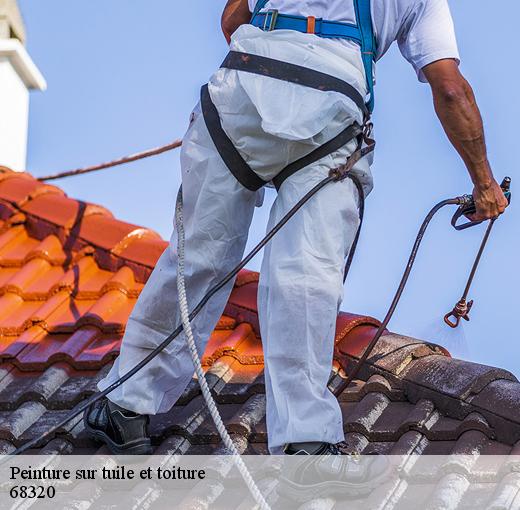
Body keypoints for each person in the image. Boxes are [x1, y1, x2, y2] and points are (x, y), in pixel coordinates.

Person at [85, 0, 508, 464]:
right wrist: (484, 184)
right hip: (331, 112)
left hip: (243, 91)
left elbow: (232, 20)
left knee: (200, 256)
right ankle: (305, 443)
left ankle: (127, 403)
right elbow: (450, 89)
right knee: (306, 279)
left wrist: (275, 82)